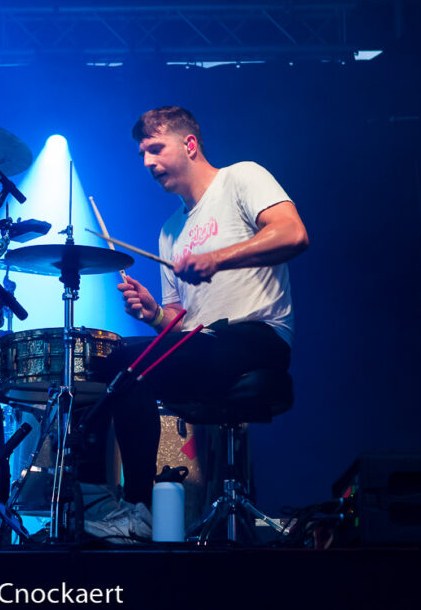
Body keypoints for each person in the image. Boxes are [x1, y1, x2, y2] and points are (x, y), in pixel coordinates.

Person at [111, 106, 308, 508]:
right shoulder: (170, 231)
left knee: (129, 364)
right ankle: (124, 504)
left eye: (156, 148)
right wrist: (154, 314)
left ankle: (138, 509)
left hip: (259, 335)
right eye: (142, 154)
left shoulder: (241, 177)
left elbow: (293, 233)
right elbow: (179, 325)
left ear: (190, 145)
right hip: (205, 342)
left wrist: (218, 258)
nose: (147, 162)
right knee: (116, 365)